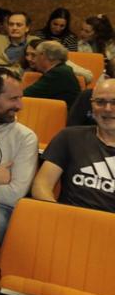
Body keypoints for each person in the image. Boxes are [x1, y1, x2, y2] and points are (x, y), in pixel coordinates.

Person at [0, 67, 38, 254]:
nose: (20, 106)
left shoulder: (25, 138)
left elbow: (14, 194)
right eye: (13, 99)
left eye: (20, 97)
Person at [32, 78, 115, 213]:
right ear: (91, 105)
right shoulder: (69, 137)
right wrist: (59, 214)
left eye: (114, 102)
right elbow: (42, 185)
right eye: (100, 102)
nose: (107, 109)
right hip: (68, 222)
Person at [23, 41, 81, 108]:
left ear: (43, 56)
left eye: (35, 55)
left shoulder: (58, 73)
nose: (34, 60)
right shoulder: (62, 69)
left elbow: (27, 94)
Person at [23, 38, 92, 84]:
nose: (29, 58)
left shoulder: (62, 66)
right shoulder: (26, 66)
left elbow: (88, 76)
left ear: (44, 55)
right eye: (27, 54)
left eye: (33, 55)